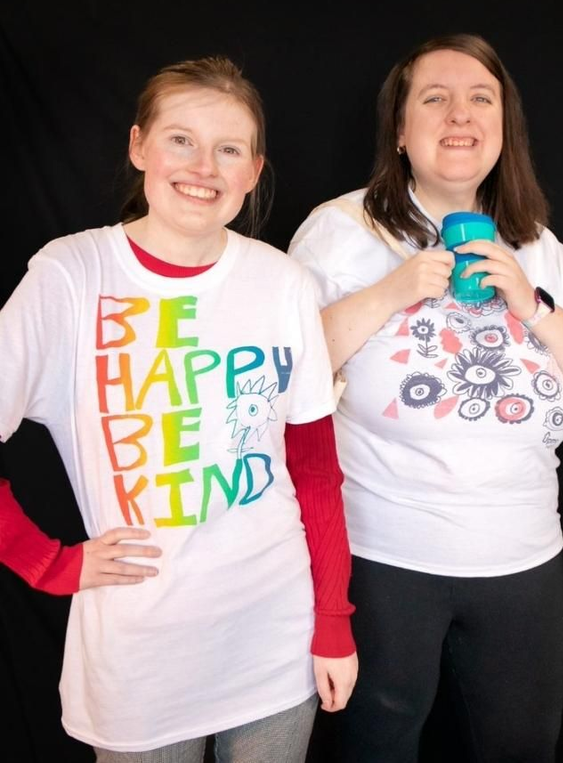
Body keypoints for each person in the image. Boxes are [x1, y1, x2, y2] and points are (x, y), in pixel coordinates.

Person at [0, 54, 357, 762]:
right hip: (141, 657)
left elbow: (316, 472)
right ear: (139, 147)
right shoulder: (71, 276)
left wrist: (334, 621)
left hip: (275, 636)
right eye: (181, 140)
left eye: (229, 149)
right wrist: (46, 564)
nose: (203, 167)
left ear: (253, 172)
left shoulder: (282, 283)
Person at [288, 33, 563, 762]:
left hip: (523, 562)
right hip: (383, 559)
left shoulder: (538, 245)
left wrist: (532, 304)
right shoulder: (341, 230)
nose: (460, 115)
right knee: (376, 749)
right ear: (399, 131)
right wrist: (392, 291)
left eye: (481, 99)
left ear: (504, 129)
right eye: (435, 98)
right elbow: (283, 375)